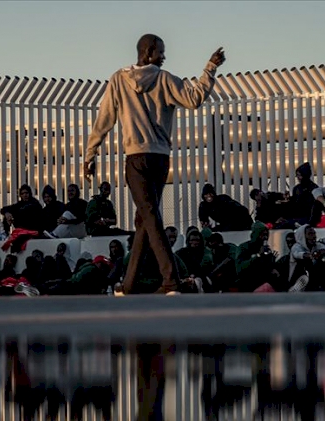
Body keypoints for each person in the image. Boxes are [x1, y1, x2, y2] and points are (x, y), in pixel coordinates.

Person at [83, 34, 224, 295]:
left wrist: (90, 155)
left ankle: (170, 280)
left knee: (148, 217)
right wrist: (210, 69)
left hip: (135, 159)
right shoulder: (166, 79)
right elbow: (194, 99)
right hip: (160, 158)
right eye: (161, 52)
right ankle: (129, 285)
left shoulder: (118, 80)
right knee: (144, 221)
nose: (164, 56)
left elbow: (104, 120)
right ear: (148, 52)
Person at [288, 224, 325, 292]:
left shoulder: (316, 245)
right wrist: (311, 255)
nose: (314, 236)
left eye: (314, 233)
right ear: (303, 236)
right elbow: (298, 254)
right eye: (310, 234)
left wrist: (323, 251)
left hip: (313, 277)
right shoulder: (296, 246)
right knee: (306, 262)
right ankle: (296, 288)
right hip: (298, 276)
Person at [236, 221, 280, 292]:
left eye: (266, 235)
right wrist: (258, 255)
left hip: (263, 283)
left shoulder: (266, 249)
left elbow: (266, 268)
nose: (265, 237)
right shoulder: (244, 247)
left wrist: (272, 262)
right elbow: (240, 268)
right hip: (248, 284)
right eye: (262, 235)